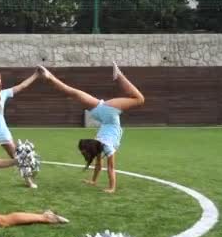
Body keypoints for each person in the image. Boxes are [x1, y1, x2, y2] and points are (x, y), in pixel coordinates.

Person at [38, 63, 145, 193]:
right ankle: (49, 77)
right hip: (100, 114)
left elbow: (111, 168)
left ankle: (119, 76)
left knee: (140, 99)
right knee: (73, 93)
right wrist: (93, 181)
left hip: (108, 114)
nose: (84, 154)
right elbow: (101, 166)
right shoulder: (98, 144)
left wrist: (112, 188)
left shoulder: (105, 146)